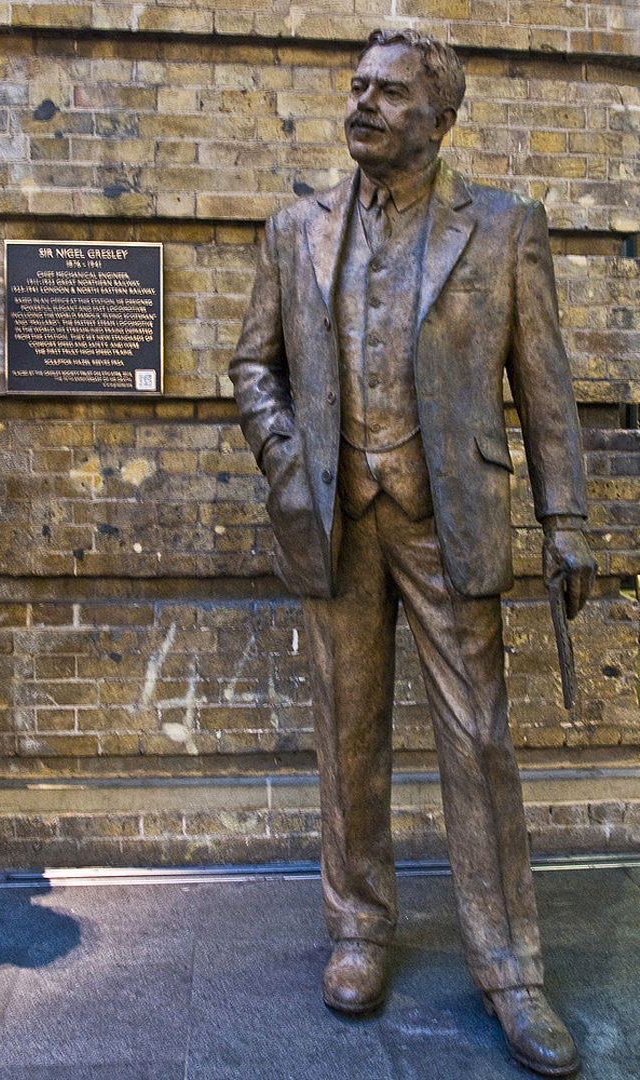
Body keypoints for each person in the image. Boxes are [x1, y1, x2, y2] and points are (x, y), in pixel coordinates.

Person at [230, 29, 596, 1078]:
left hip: (449, 519)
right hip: (335, 515)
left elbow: (545, 385)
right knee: (347, 731)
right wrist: (287, 461)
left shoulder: (505, 228)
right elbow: (252, 366)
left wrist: (563, 519)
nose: (364, 105)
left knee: (478, 740)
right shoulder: (295, 229)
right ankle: (358, 931)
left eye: (389, 93)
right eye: (357, 89)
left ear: (441, 118)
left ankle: (511, 968)